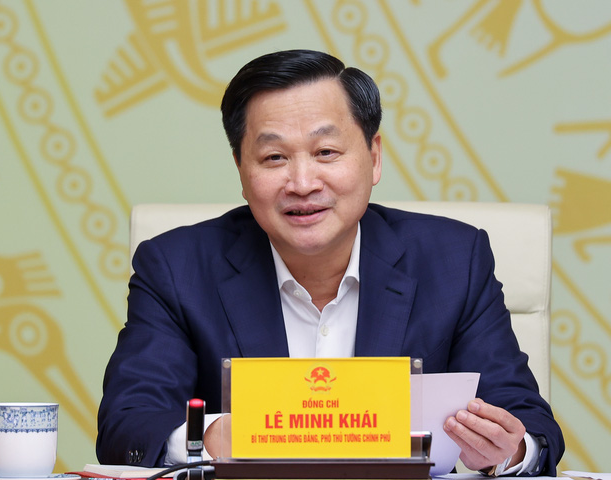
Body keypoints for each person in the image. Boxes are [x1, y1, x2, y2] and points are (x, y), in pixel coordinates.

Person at [96, 49, 564, 475]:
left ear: (374, 158)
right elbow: (128, 424)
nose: (302, 183)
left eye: (326, 152)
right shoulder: (176, 268)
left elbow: (529, 423)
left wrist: (508, 451)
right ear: (241, 167)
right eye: (274, 157)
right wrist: (211, 437)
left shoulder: (454, 261)